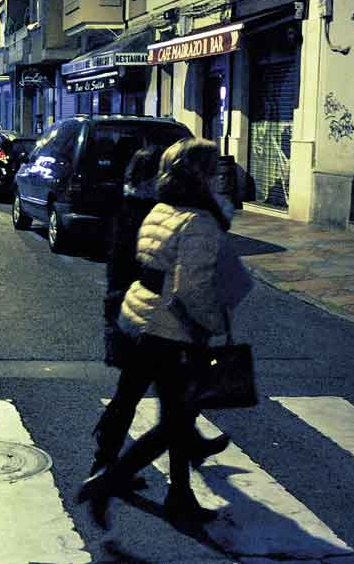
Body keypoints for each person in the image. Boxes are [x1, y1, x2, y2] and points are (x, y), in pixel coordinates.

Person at [82, 138, 233, 527]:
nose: (219, 177)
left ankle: (177, 495)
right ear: (201, 175)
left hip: (139, 319)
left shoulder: (159, 209)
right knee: (176, 421)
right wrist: (214, 323)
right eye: (213, 170)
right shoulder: (197, 221)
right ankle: (110, 481)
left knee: (162, 411)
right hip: (171, 329)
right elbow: (191, 289)